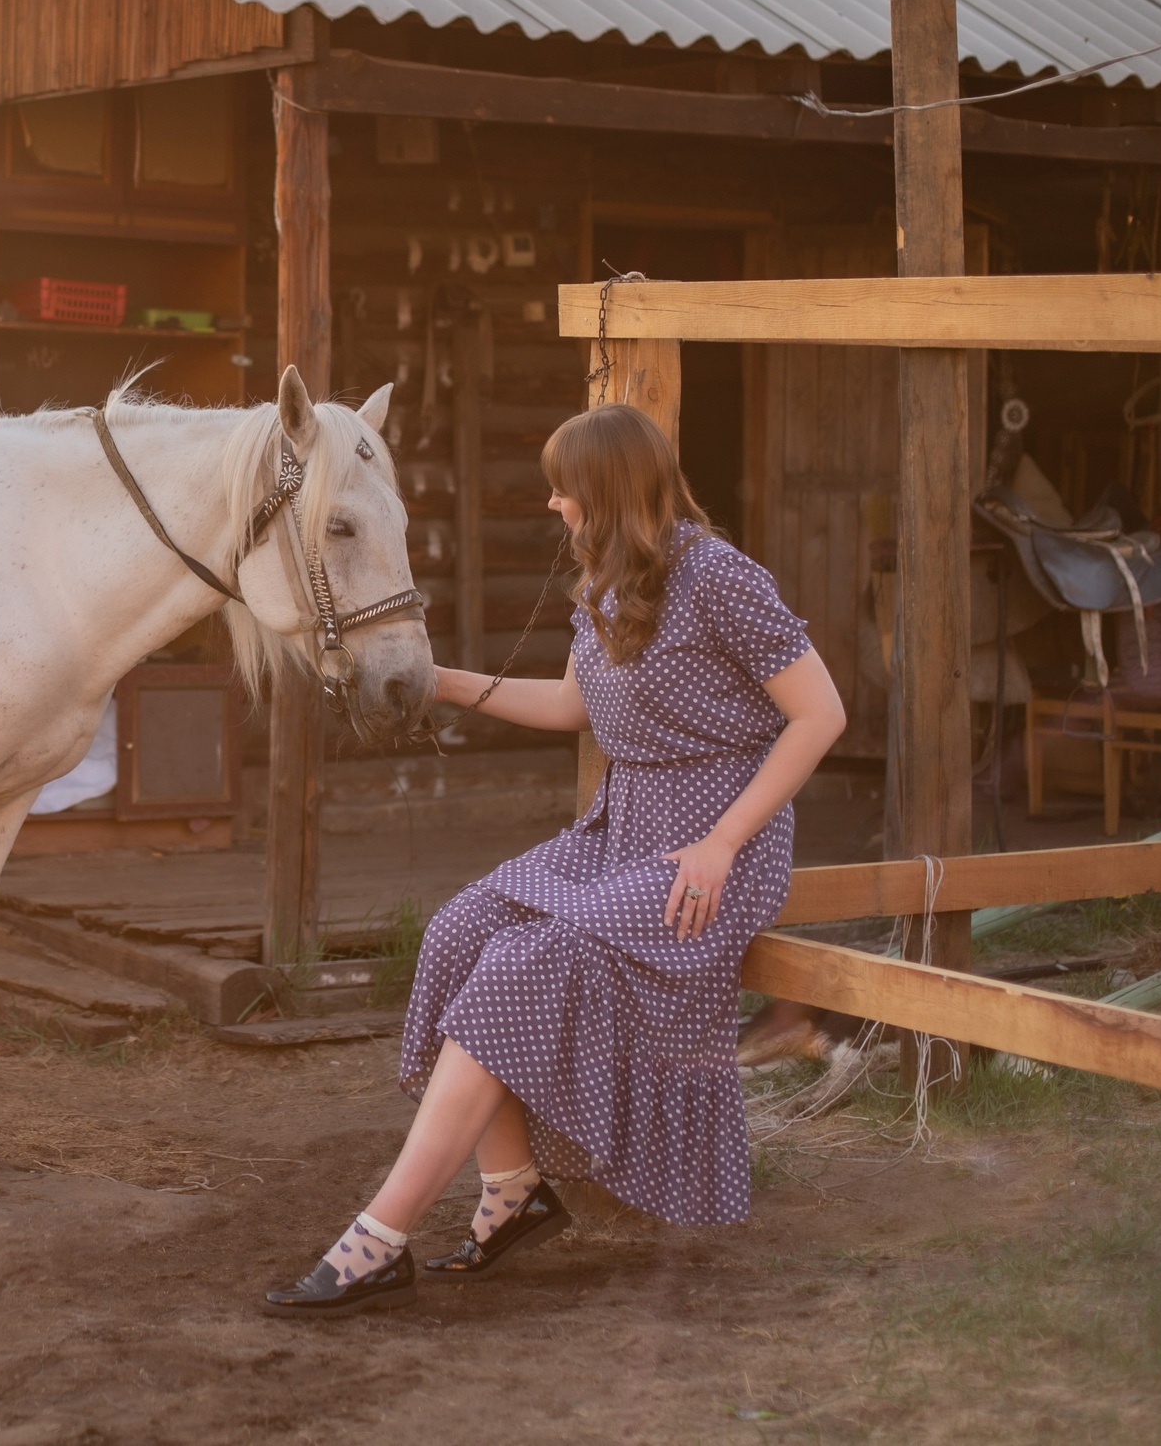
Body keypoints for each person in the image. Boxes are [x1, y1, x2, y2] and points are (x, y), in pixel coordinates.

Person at [263, 403, 849, 1318]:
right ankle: (513, 1191)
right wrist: (441, 683)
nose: (551, 502)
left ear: (606, 490)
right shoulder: (605, 581)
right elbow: (574, 706)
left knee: (524, 962)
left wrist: (722, 843)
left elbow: (822, 713)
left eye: (563, 488)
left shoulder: (719, 576)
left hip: (714, 843)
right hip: (623, 828)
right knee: (463, 930)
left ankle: (378, 1238)